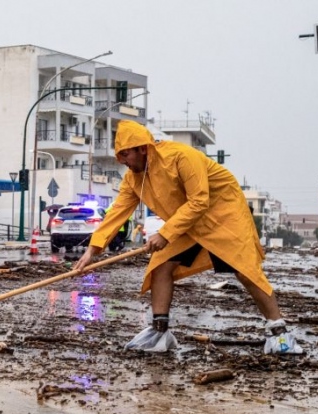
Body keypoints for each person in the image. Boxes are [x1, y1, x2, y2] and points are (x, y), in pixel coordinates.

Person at [73, 120, 301, 354]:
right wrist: (93, 250)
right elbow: (116, 213)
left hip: (223, 215)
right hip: (188, 223)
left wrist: (166, 233)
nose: (122, 161)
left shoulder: (181, 156)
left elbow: (200, 201)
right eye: (119, 155)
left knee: (244, 269)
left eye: (125, 154)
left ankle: (279, 334)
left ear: (143, 148)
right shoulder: (134, 179)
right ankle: (160, 333)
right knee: (161, 265)